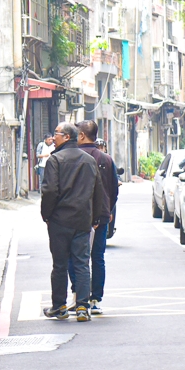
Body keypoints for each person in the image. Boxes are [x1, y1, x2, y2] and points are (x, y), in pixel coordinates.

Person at [40, 122, 109, 322]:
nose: (54, 138)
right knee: (81, 263)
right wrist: (95, 217)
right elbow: (98, 191)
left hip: (60, 220)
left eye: (57, 134)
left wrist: (47, 215)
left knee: (60, 264)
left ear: (67, 137)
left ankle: (59, 306)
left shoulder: (55, 160)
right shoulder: (88, 160)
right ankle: (82, 308)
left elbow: (50, 191)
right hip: (82, 220)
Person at [77, 120, 119, 316]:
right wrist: (107, 210)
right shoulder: (106, 159)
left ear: (83, 135)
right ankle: (95, 299)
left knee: (76, 257)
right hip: (102, 216)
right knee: (97, 257)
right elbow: (114, 189)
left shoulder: (73, 157)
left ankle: (79, 297)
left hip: (77, 215)